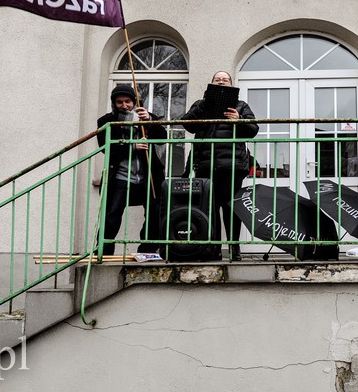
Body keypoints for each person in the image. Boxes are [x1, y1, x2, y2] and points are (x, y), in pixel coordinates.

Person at [180, 71, 259, 260]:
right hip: (206, 165)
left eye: (225, 79)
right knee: (210, 209)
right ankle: (213, 249)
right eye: (217, 79)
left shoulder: (241, 106)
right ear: (212, 83)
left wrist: (239, 120)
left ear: (231, 84)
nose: (221, 81)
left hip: (232, 167)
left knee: (231, 209)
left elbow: (253, 130)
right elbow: (187, 124)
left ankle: (234, 248)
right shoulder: (201, 104)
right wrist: (205, 106)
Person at [96, 84, 167, 256]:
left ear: (134, 102)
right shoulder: (105, 121)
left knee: (153, 214)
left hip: (148, 176)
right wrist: (133, 146)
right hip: (120, 177)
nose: (124, 105)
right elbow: (106, 148)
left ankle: (147, 250)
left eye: (127, 101)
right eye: (119, 102)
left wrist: (150, 120)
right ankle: (104, 252)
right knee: (112, 216)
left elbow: (162, 138)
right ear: (114, 103)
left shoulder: (145, 118)